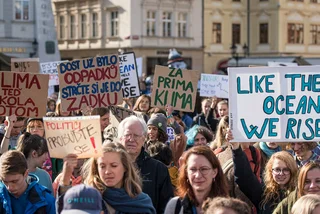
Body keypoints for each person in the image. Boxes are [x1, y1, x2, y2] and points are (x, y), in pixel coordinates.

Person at [57, 143, 156, 213]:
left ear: (125, 167)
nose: (107, 172)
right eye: (102, 166)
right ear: (96, 168)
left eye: (114, 165)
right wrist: (65, 179)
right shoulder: (87, 197)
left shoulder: (142, 202)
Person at [227, 130, 298, 213]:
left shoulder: (299, 193)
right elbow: (244, 178)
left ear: (292, 170)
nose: (281, 173)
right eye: (277, 169)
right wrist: (236, 148)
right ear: (270, 171)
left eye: (286, 170)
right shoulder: (264, 193)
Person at [118, 115, 174, 213]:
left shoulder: (158, 169)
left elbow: (166, 207)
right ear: (120, 138)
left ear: (144, 139)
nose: (131, 139)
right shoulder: (110, 167)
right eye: (127, 135)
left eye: (136, 135)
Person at [164, 146, 229, 214]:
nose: (198, 175)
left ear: (214, 172)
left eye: (204, 169)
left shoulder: (227, 209)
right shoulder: (175, 206)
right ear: (186, 172)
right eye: (193, 169)